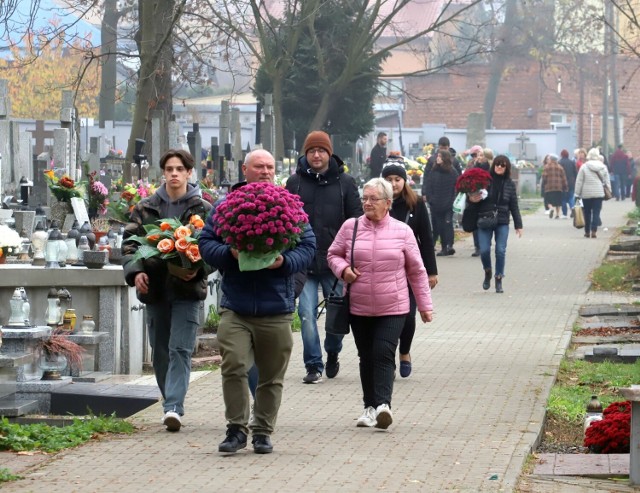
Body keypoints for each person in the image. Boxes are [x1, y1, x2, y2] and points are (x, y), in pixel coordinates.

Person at [199, 149, 316, 455]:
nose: (265, 171)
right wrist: (230, 255)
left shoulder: (288, 206)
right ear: (246, 170)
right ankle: (236, 429)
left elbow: (308, 246)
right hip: (236, 307)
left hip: (275, 308)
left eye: (269, 167)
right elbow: (206, 243)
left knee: (271, 375)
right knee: (234, 364)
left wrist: (284, 261)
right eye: (259, 167)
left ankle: (262, 431)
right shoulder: (226, 207)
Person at [327, 178, 433, 429]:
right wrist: (344, 270)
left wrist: (425, 305)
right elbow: (332, 255)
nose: (367, 203)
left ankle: (384, 405)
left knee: (383, 352)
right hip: (359, 305)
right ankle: (370, 407)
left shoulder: (402, 231)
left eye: (373, 199)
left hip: (393, 306)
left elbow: (417, 271)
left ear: (388, 203)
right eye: (365, 198)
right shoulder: (350, 227)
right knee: (366, 356)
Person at [122, 149, 213, 432]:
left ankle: (173, 406)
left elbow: (213, 247)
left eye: (179, 169)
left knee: (180, 349)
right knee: (160, 350)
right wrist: (136, 272)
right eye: (169, 169)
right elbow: (129, 244)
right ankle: (168, 399)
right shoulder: (145, 207)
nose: (174, 173)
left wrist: (198, 269)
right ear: (163, 173)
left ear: (188, 173)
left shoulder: (203, 209)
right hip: (156, 289)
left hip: (187, 289)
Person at [285, 131, 362, 384]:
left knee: (337, 315)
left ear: (329, 153)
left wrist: (351, 256)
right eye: (311, 151)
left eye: (321, 150)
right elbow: (287, 221)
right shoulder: (294, 183)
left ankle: (332, 351)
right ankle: (313, 364)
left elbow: (356, 221)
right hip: (304, 263)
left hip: (335, 262)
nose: (316, 155)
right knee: (306, 314)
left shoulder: (346, 183)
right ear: (305, 154)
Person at [382, 159, 438, 378]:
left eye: (397, 179)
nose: (394, 184)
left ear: (404, 181)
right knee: (386, 318)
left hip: (409, 270)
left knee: (408, 316)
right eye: (389, 180)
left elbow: (426, 236)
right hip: (384, 269)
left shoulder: (416, 203)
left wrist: (431, 271)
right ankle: (387, 357)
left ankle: (404, 351)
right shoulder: (376, 202)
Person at [462, 155, 523, 293]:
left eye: (502, 165)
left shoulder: (509, 184)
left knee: (500, 250)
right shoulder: (484, 181)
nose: (499, 167)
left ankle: (499, 278)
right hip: (485, 219)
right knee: (484, 250)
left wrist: (518, 225)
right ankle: (488, 271)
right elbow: (472, 196)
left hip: (502, 221)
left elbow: (514, 205)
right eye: (497, 164)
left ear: (507, 168)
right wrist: (472, 198)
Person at [424, 149, 459, 256]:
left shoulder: (452, 172)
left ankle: (449, 245)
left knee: (448, 224)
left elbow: (456, 187)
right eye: (437, 156)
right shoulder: (434, 170)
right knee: (439, 226)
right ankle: (444, 247)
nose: (437, 158)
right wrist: (430, 199)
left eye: (440, 156)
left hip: (448, 203)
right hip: (436, 204)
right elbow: (429, 184)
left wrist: (453, 200)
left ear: (445, 158)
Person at [575, 147, 611, 239]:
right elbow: (607, 181)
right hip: (599, 193)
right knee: (596, 212)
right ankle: (594, 231)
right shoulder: (603, 167)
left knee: (587, 213)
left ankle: (587, 231)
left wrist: (577, 193)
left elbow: (579, 181)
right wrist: (609, 191)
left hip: (586, 194)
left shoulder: (584, 166)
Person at [421, 136, 462, 203]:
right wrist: (424, 193)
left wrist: (458, 194)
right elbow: (426, 177)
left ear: (448, 147)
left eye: (445, 148)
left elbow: (459, 179)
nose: (443, 151)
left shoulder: (454, 161)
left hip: (449, 196)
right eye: (441, 148)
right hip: (435, 195)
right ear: (438, 147)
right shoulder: (432, 160)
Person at [541, 153, 568, 220]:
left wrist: (544, 183)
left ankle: (551, 208)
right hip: (558, 187)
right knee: (558, 202)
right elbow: (564, 178)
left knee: (548, 200)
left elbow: (544, 176)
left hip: (549, 187)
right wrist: (565, 187)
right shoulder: (560, 167)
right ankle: (557, 215)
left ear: (551, 159)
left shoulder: (546, 167)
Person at [559, 149, 577, 218]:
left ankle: (564, 213)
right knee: (570, 197)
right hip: (571, 182)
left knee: (563, 199)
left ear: (561, 155)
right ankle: (572, 207)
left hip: (563, 183)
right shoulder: (572, 162)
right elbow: (575, 173)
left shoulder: (560, 162)